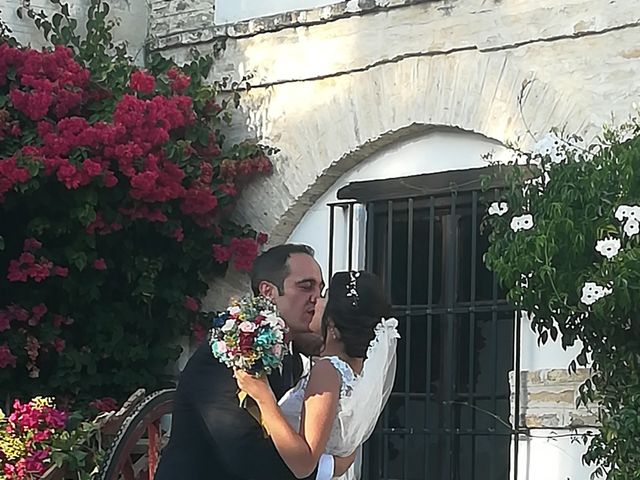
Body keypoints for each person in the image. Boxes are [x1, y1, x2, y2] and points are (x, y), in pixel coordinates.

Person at [154, 244, 353, 480]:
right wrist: (327, 468)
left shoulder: (290, 357)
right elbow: (247, 456)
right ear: (268, 292)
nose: (316, 299)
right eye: (305, 286)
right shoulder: (226, 356)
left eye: (320, 289)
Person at [235, 270, 399, 479]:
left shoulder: (328, 370)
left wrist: (263, 396)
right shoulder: (359, 372)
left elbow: (304, 463)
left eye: (325, 297)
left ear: (331, 324)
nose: (316, 300)